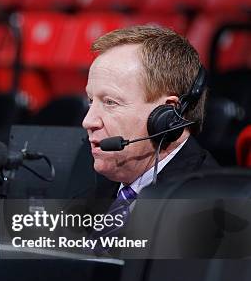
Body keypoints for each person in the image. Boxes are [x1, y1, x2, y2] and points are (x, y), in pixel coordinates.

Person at [81, 25, 219, 201]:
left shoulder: (209, 203)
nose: (88, 121)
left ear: (169, 116)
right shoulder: (87, 197)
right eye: (91, 101)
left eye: (110, 102)